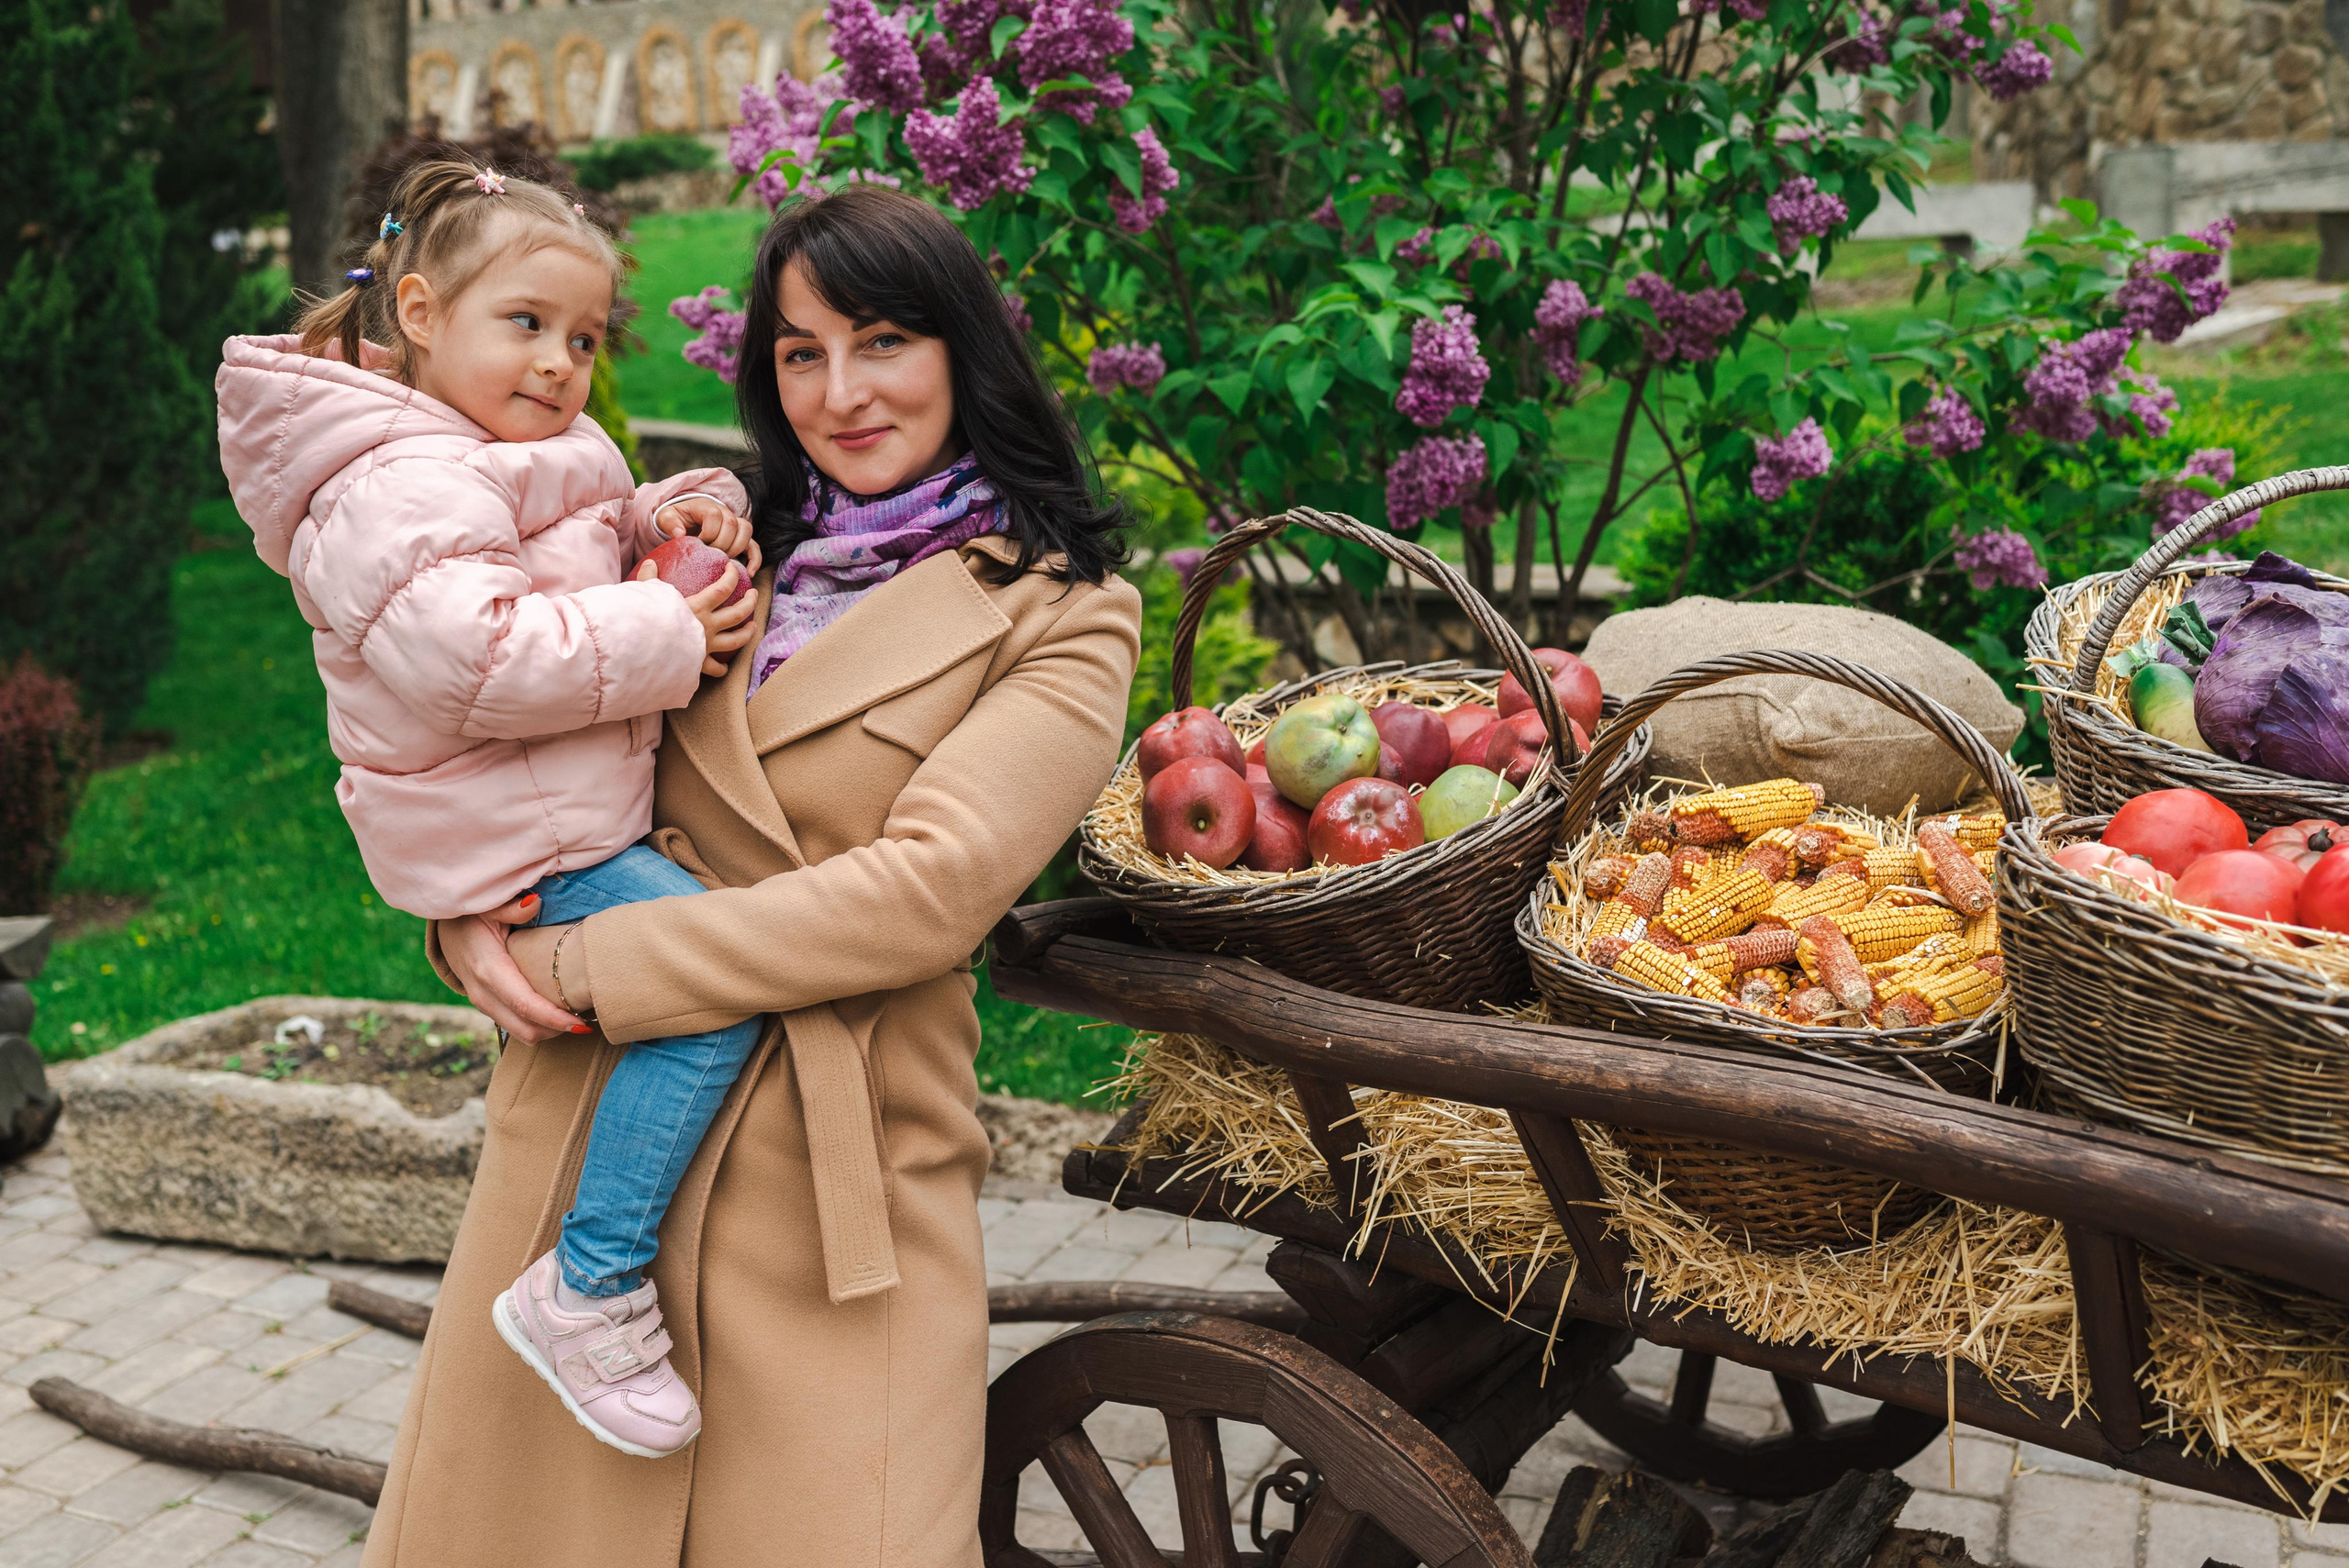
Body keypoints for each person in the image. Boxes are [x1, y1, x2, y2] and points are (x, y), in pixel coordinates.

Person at [361, 182, 1141, 1566]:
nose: (840, 393)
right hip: (594, 1170)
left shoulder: (1060, 609)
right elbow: (472, 733)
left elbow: (928, 892)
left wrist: (592, 967)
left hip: (838, 1196)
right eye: (798, 351)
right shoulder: (695, 550)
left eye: (883, 340)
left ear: (963, 348)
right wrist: (457, 914)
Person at [215, 159, 770, 1459]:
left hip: (558, 821)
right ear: (419, 311)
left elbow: (587, 528)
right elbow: (479, 662)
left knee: (708, 977)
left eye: (582, 337)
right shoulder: (391, 485)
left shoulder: (504, 450)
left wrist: (684, 514)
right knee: (718, 993)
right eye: (524, 324)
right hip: (524, 844)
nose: (560, 362)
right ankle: (591, 1281)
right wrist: (668, 627)